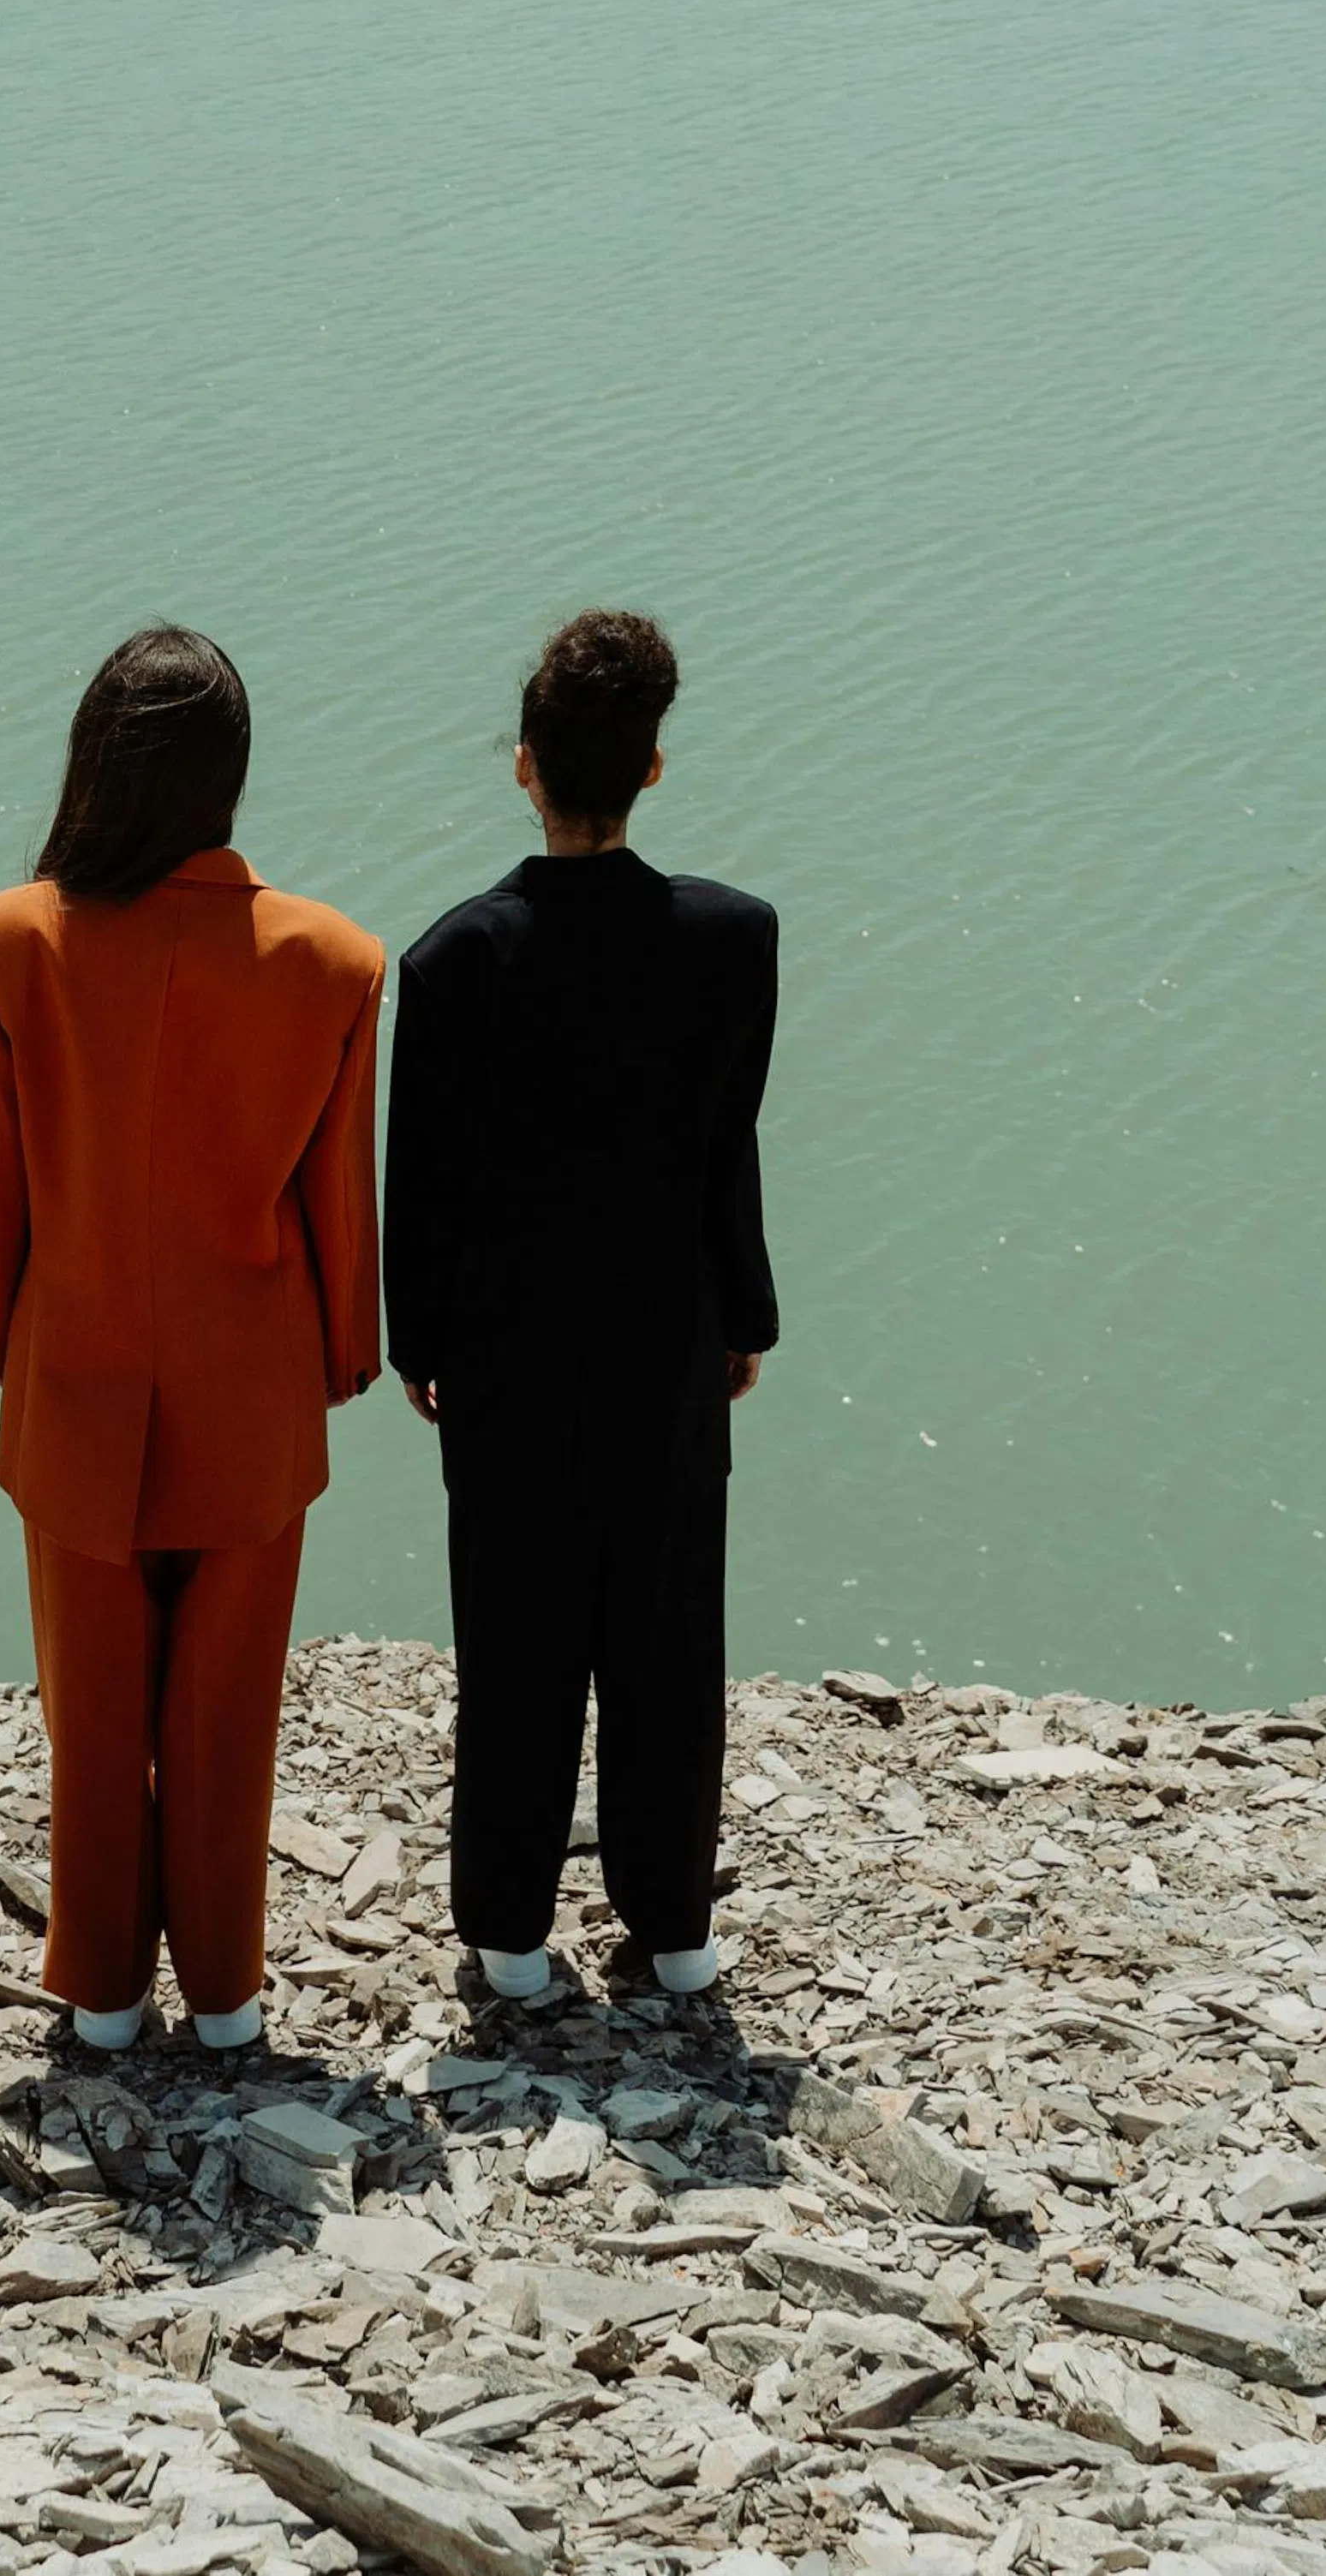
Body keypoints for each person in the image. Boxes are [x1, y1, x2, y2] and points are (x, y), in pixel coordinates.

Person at [0, 627, 382, 2053]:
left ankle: (101, 1989)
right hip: (253, 1390)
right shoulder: (333, 961)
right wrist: (347, 1347)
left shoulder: (13, 939)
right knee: (224, 1710)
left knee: (91, 1706)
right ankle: (225, 1992)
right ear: (234, 775)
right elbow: (336, 1193)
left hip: (72, 1375)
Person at [384, 607, 777, 2006]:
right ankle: (673, 1927)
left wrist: (414, 1342)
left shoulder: (451, 960)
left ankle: (506, 1928)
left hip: (503, 1356)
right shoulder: (732, 941)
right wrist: (745, 1314)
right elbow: (726, 1145)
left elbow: (419, 1186)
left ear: (524, 764)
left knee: (518, 1632)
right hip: (668, 1339)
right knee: (667, 1628)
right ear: (654, 768)